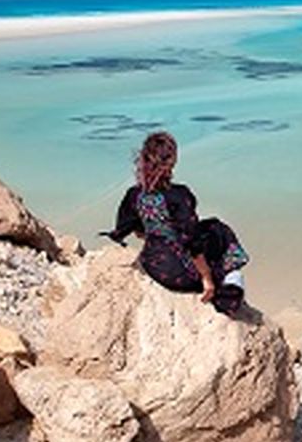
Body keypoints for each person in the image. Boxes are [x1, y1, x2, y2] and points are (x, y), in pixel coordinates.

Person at [105, 131, 250, 317]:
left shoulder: (134, 195)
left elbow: (124, 228)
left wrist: (143, 231)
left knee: (206, 229)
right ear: (172, 161)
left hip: (155, 267)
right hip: (183, 274)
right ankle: (230, 287)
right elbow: (193, 242)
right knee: (217, 228)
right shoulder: (180, 195)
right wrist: (206, 278)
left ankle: (227, 281)